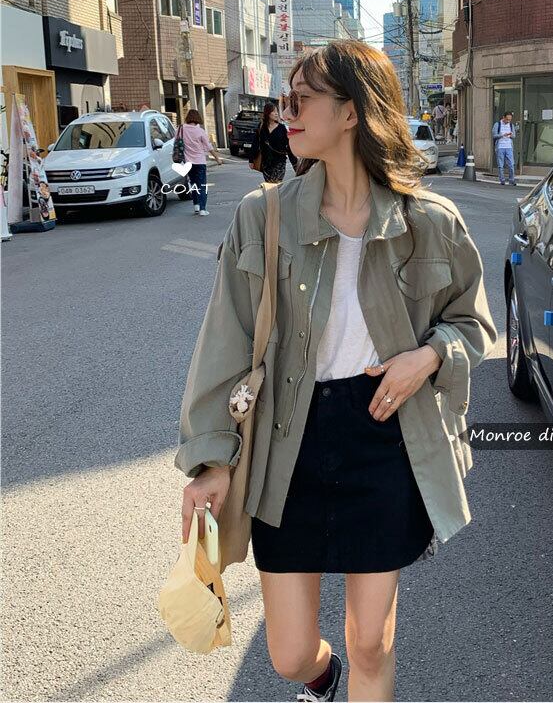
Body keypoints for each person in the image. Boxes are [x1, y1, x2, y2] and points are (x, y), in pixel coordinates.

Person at [175, 39, 497, 702]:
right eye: (284, 100)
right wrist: (212, 461)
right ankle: (323, 681)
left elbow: (473, 324)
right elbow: (224, 343)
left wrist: (428, 356)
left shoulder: (428, 223)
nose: (284, 114)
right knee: (290, 653)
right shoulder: (263, 217)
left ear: (351, 112)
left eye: (301, 100)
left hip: (383, 438)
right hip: (286, 441)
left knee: (372, 641)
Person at [180, 109, 224, 216]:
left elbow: (176, 142)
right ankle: (203, 209)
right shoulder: (200, 131)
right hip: (200, 162)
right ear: (198, 118)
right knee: (202, 186)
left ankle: (196, 206)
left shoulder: (181, 129)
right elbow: (209, 147)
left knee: (193, 184)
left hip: (188, 162)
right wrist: (217, 158)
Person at [248, 103, 298, 183]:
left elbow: (288, 146)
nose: (276, 113)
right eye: (274, 111)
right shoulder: (262, 127)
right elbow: (255, 143)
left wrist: (295, 164)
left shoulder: (281, 128)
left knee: (276, 184)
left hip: (279, 162)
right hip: (266, 163)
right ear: (268, 113)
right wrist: (251, 160)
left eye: (277, 111)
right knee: (269, 185)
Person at [492, 111, 517, 185]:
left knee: (511, 164)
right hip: (500, 147)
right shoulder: (497, 124)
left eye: (510, 119)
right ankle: (502, 180)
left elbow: (514, 136)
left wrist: (510, 135)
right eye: (507, 119)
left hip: (509, 146)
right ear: (503, 117)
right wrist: (502, 135)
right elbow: (494, 135)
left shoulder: (511, 125)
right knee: (500, 165)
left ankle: (511, 180)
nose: (508, 121)